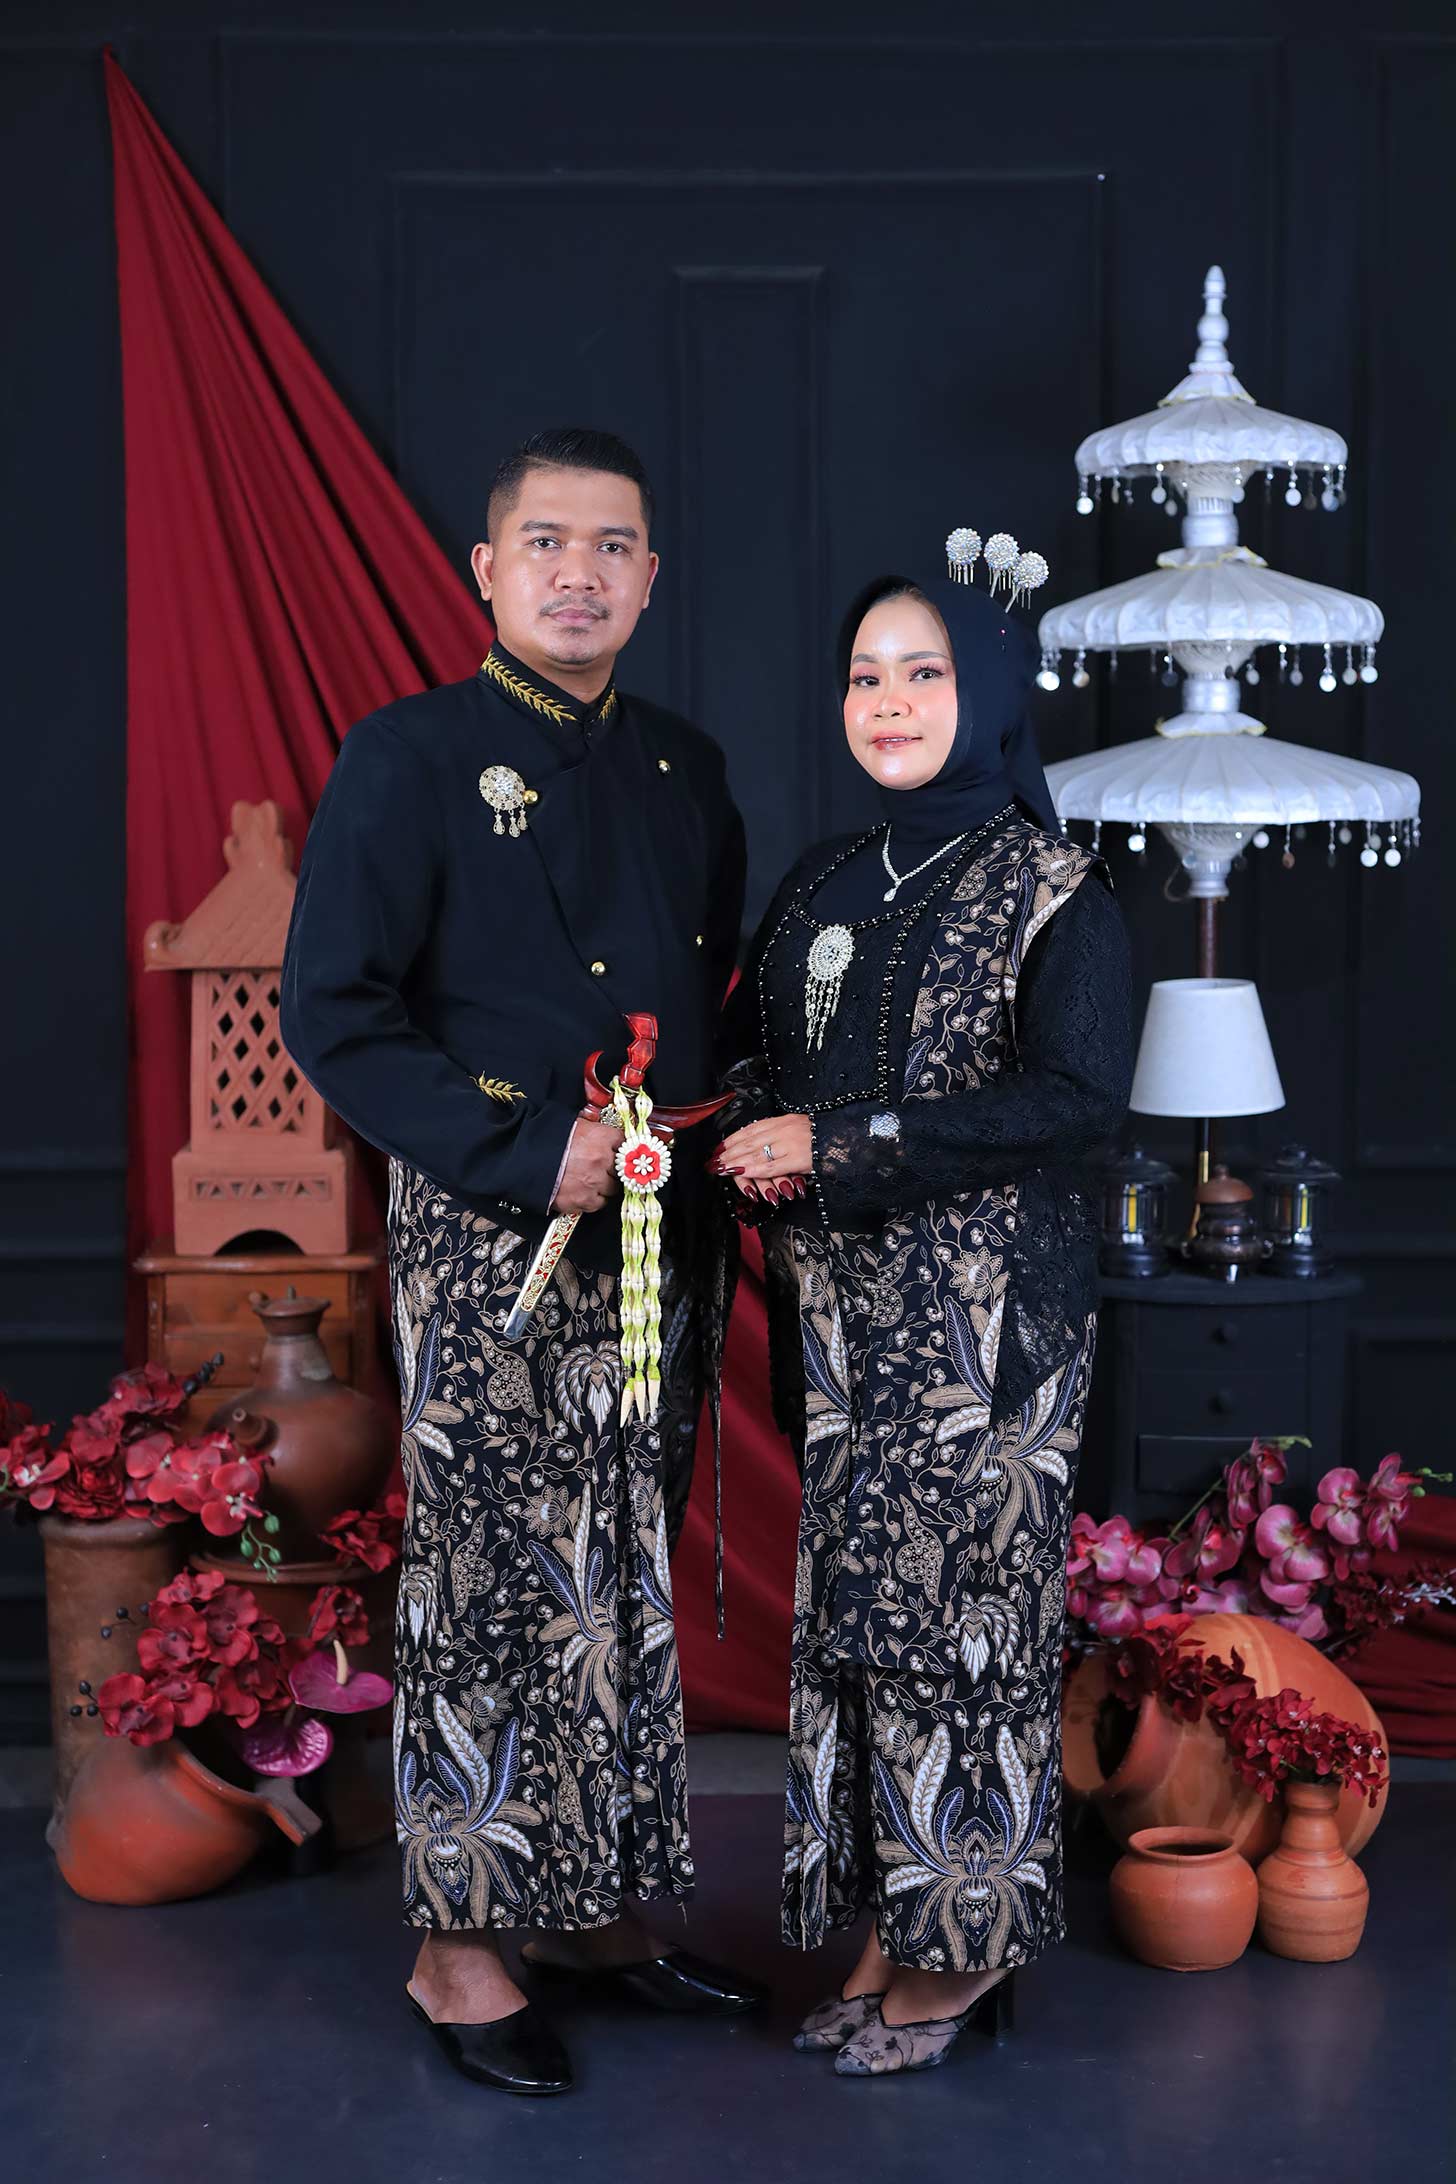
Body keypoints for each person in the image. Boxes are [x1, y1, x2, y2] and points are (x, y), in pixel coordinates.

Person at [281, 426, 758, 2096]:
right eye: (545, 542)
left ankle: (591, 1912)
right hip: (500, 1230)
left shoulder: (687, 766)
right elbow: (335, 1011)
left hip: (655, 1229)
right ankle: (460, 1949)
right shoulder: (408, 755)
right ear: (487, 570)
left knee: (616, 1579)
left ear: (649, 576)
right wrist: (517, 1146)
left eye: (612, 545)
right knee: (487, 1590)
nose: (578, 572)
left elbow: (711, 1004)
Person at [710, 554, 1133, 2077]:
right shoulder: (825, 879)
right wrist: (745, 1129)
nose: (887, 703)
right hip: (838, 1329)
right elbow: (757, 1055)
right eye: (865, 677)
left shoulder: (1057, 894)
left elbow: (1074, 1102)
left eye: (925, 673)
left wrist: (838, 1147)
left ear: (991, 693)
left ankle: (969, 1950)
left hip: (989, 1333)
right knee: (863, 1630)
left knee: (968, 1637)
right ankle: (901, 1926)